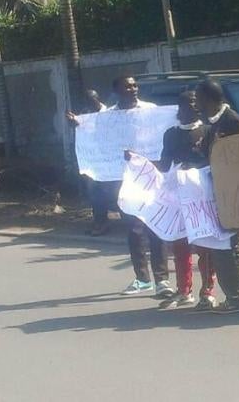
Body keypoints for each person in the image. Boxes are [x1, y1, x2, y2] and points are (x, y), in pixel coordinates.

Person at [68, 76, 173, 298]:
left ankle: (162, 279)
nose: (133, 89)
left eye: (134, 85)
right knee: (134, 229)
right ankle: (142, 279)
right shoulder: (108, 116)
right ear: (116, 91)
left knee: (156, 226)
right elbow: (95, 134)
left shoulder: (151, 110)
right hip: (124, 179)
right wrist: (79, 125)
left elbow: (167, 129)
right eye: (127, 86)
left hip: (150, 178)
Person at [196, 79, 239, 314]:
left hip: (234, 195)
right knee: (227, 248)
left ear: (210, 99)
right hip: (218, 194)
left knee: (229, 248)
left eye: (199, 99)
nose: (196, 104)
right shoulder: (213, 124)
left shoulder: (234, 122)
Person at [154, 91, 218, 312]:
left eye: (197, 101)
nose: (196, 105)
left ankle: (207, 292)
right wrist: (139, 161)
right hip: (179, 196)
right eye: (191, 102)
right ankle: (184, 290)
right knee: (179, 244)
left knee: (205, 245)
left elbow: (216, 160)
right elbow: (164, 164)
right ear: (180, 108)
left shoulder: (209, 131)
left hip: (202, 197)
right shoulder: (171, 135)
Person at [79, 89, 108, 237]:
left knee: (116, 193)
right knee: (95, 193)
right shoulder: (85, 114)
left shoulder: (110, 113)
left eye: (91, 100)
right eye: (86, 101)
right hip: (93, 161)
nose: (89, 104)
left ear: (98, 99)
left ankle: (132, 226)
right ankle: (100, 222)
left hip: (111, 162)